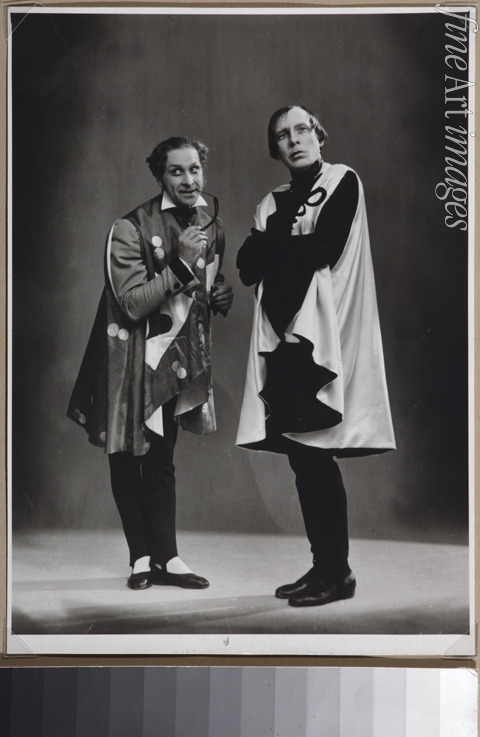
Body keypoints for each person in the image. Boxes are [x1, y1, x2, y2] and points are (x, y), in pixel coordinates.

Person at [236, 105, 395, 607]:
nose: (294, 140)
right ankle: (323, 566)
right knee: (303, 460)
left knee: (318, 455)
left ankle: (338, 573)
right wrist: (283, 247)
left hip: (320, 340)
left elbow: (324, 248)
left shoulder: (342, 180)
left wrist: (274, 245)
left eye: (302, 129)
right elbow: (245, 267)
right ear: (275, 149)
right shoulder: (272, 201)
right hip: (282, 341)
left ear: (318, 135)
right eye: (282, 135)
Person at [68, 136, 233, 590]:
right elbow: (132, 303)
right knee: (126, 453)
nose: (189, 180)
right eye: (176, 171)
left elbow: (204, 285)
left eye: (194, 169)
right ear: (160, 175)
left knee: (162, 455)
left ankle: (169, 557)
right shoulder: (129, 227)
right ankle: (140, 557)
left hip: (174, 357)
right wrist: (180, 264)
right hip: (129, 356)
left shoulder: (212, 224)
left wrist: (220, 295)